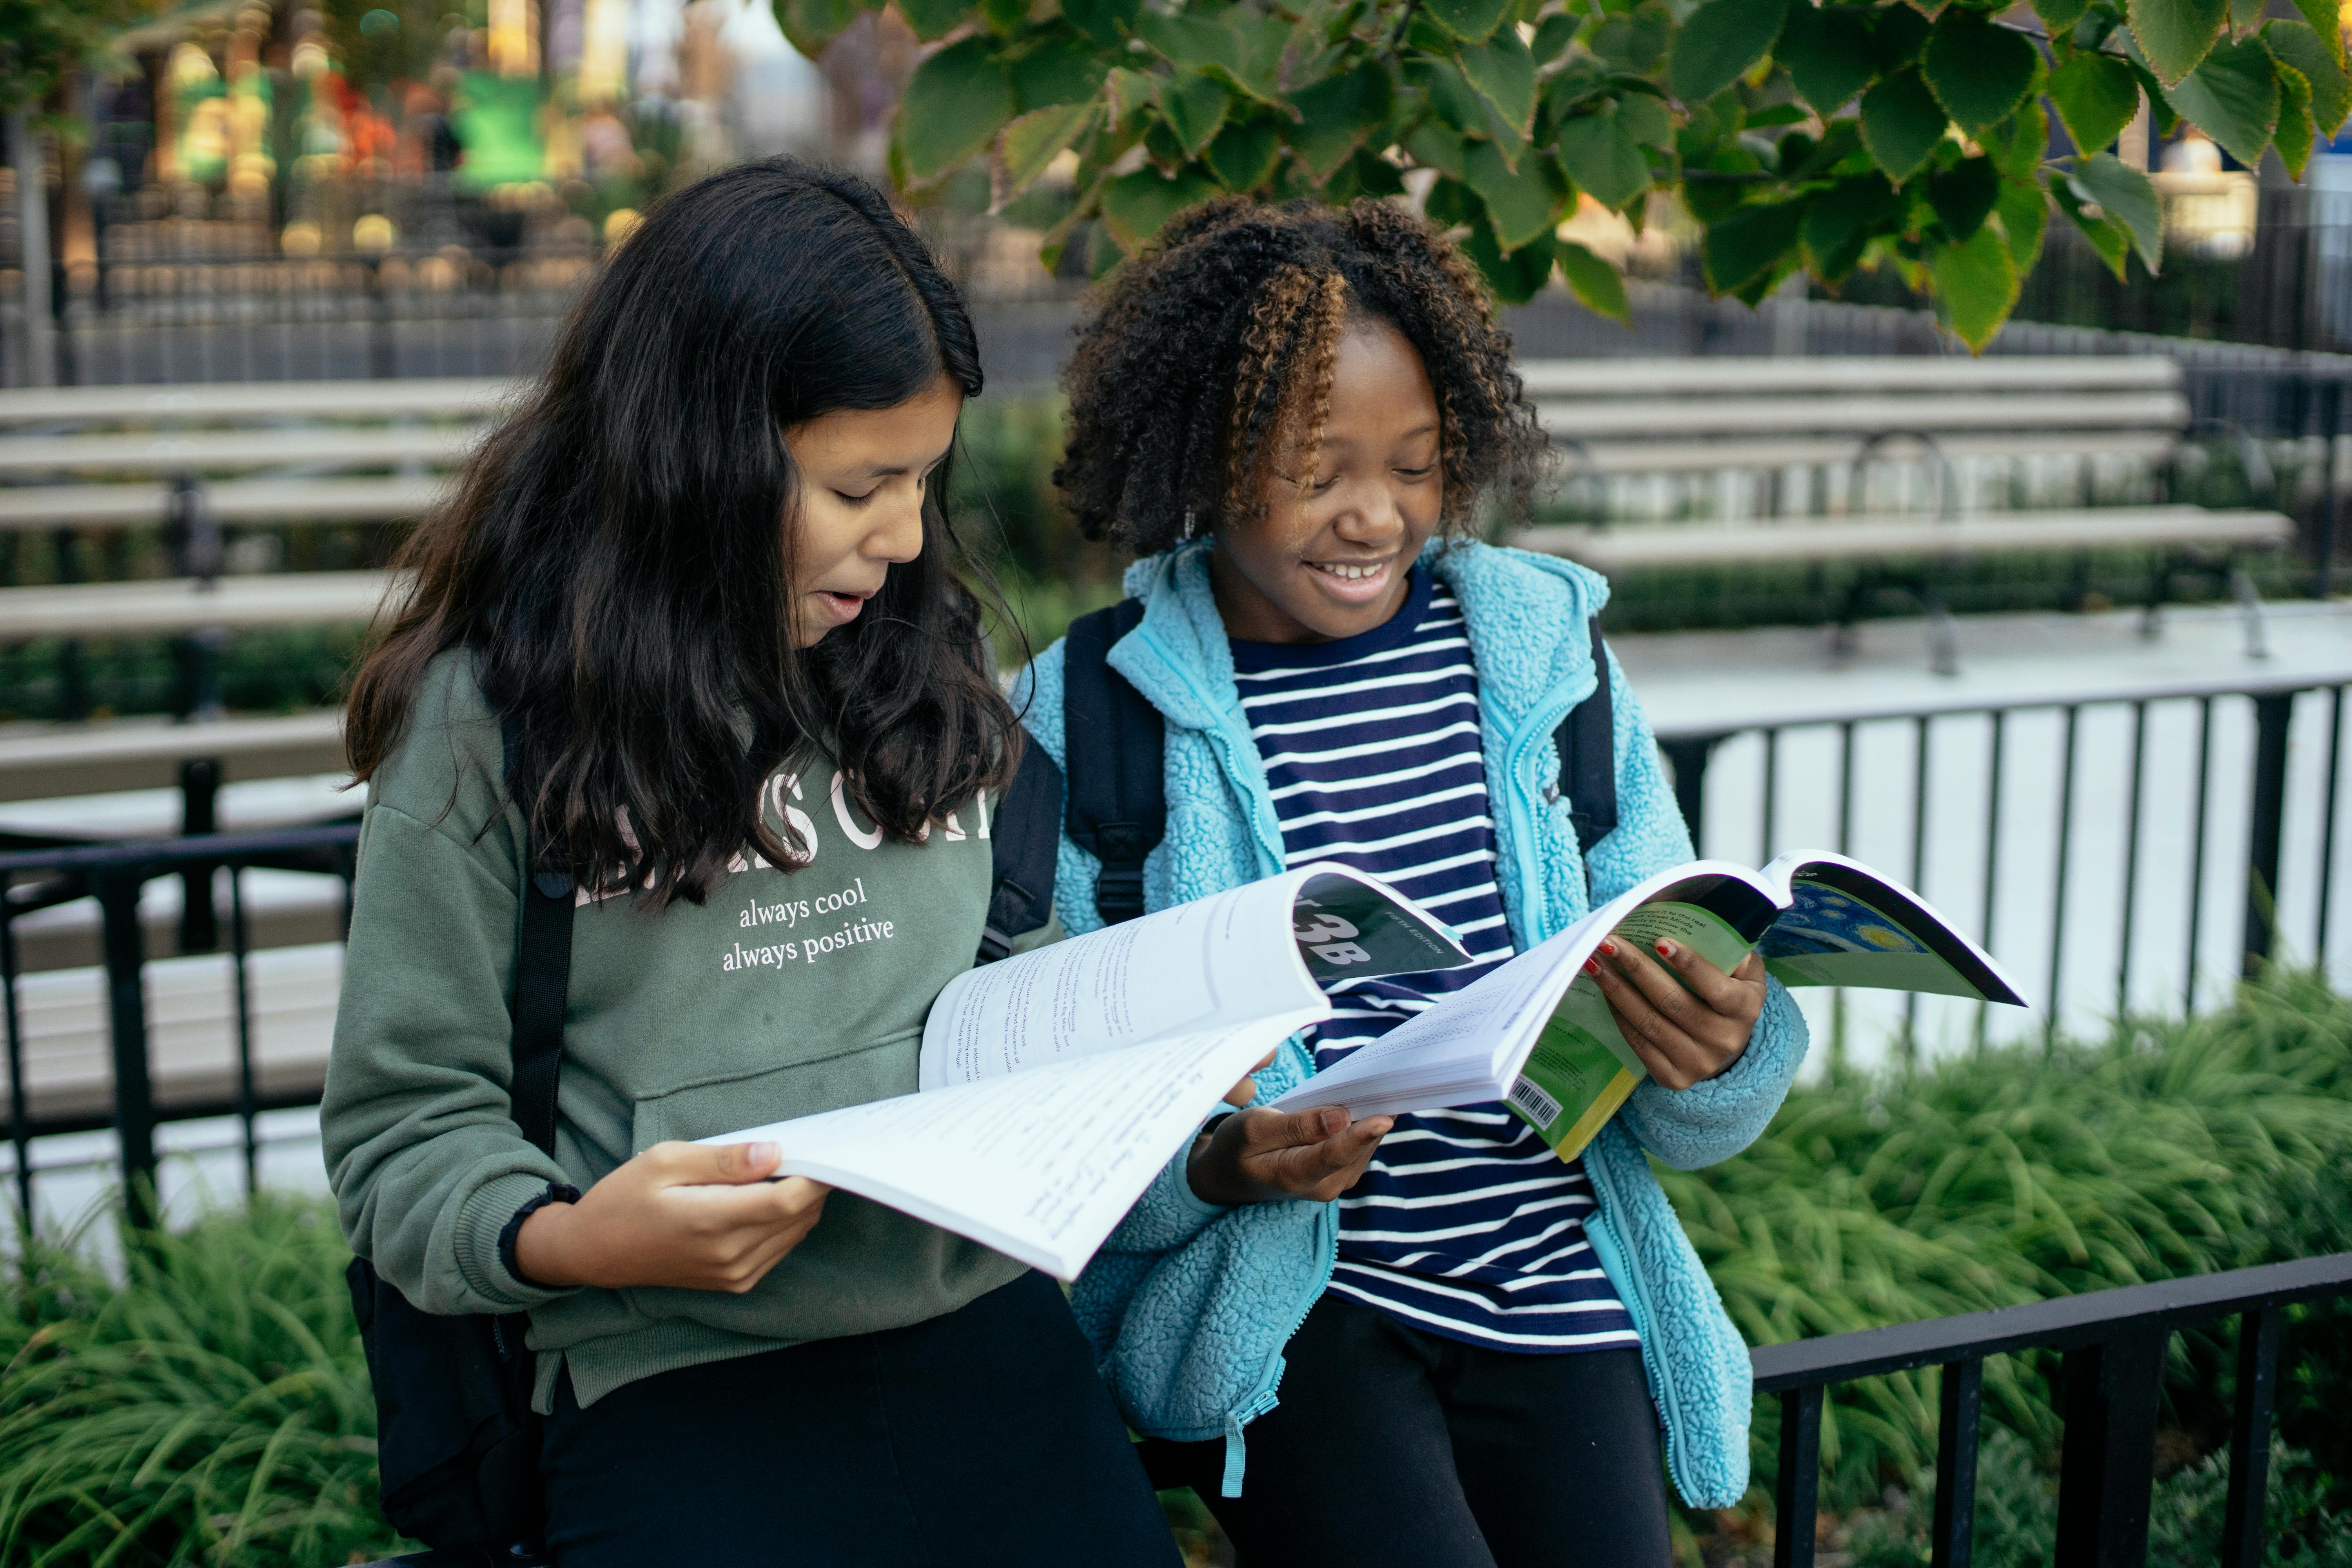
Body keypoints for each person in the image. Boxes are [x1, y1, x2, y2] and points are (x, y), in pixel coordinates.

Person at [321, 158, 1181, 1568]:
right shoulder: (487, 723)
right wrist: (573, 1242)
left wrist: (1154, 1090)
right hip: (663, 1380)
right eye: (861, 485)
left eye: (922, 481)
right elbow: (402, 1130)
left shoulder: (920, 661)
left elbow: (997, 981)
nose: (905, 538)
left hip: (992, 1349)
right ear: (699, 451)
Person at [1016, 198, 1811, 1568]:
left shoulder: (1543, 655)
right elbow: (1045, 1100)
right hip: (1293, 1314)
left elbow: (1676, 949)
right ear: (1207, 456)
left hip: (1557, 1282)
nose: (1375, 515)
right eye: (1318, 468)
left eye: (1420, 465)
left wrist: (1721, 1047)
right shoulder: (1088, 711)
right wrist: (1216, 1163)